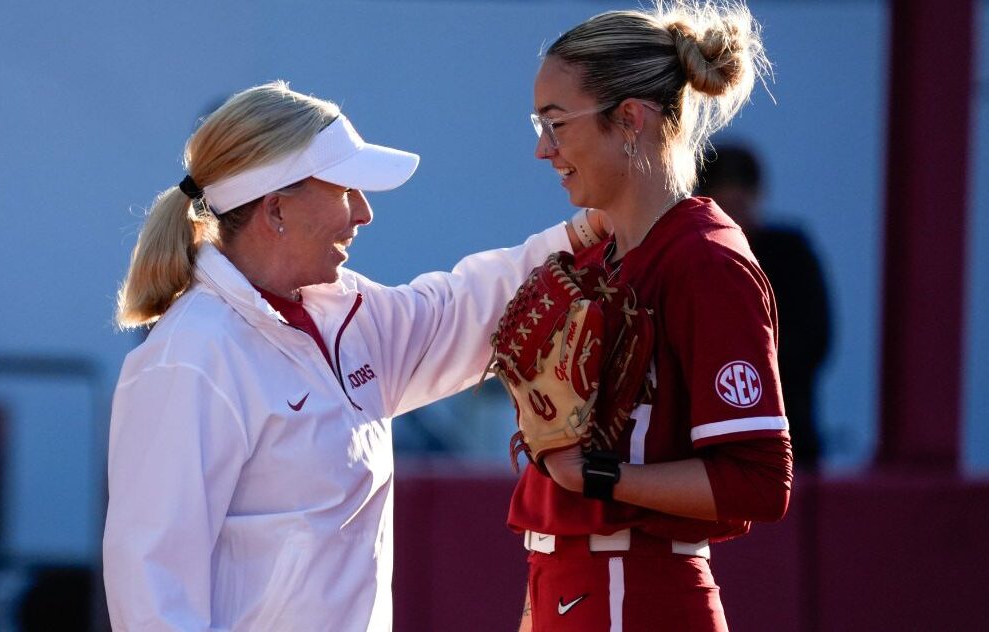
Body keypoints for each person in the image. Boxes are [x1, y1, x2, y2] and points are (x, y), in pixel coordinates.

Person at [102, 81, 606, 631]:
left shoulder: (342, 313)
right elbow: (151, 589)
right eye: (346, 189)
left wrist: (591, 233)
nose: (364, 212)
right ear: (276, 211)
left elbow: (460, 307)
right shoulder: (190, 356)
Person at [507, 4, 793, 631]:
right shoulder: (598, 256)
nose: (542, 148)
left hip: (638, 592)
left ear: (630, 119)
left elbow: (759, 482)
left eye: (556, 123)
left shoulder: (705, 262)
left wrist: (600, 473)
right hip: (568, 586)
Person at [698, 143, 832, 470]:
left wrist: (741, 364)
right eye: (725, 203)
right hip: (703, 444)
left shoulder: (789, 253)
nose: (735, 215)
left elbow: (814, 339)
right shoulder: (689, 259)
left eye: (743, 200)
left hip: (785, 436)